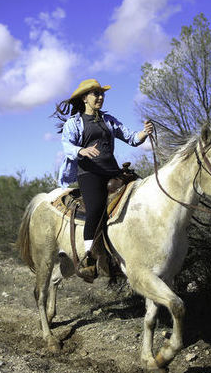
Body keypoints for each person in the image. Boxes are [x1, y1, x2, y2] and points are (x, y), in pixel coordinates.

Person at [54, 78, 153, 282]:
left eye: (102, 94)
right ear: (84, 98)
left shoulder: (108, 120)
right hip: (89, 173)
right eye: (96, 94)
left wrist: (145, 133)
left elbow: (132, 138)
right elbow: (67, 146)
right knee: (96, 209)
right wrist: (81, 150)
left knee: (141, 197)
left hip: (112, 171)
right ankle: (89, 258)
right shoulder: (74, 123)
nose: (100, 97)